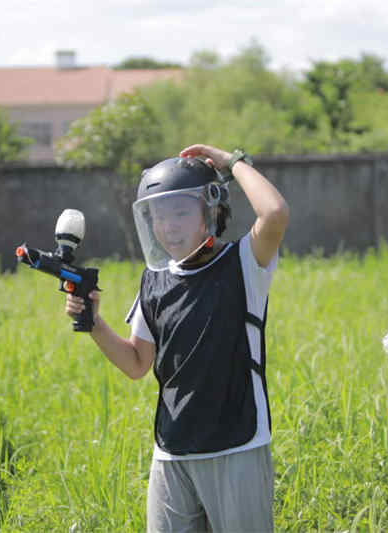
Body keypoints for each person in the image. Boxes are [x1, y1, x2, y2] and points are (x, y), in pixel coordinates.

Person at [66, 145, 289, 532]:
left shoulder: (243, 263)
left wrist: (230, 162)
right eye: (159, 215)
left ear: (211, 210)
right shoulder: (154, 279)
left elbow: (274, 213)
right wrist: (94, 323)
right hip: (171, 451)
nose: (169, 226)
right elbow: (137, 364)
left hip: (236, 445)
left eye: (181, 212)